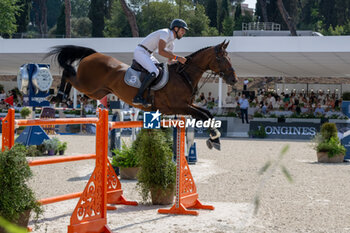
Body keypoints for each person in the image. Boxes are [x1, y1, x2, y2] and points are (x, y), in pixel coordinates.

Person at [132, 19, 188, 107]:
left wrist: (180, 61)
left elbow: (170, 61)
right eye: (182, 30)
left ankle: (150, 95)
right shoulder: (165, 33)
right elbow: (161, 52)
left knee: (160, 71)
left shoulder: (172, 44)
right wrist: (178, 57)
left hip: (149, 54)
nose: (183, 33)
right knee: (155, 71)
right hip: (141, 51)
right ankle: (138, 96)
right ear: (176, 28)